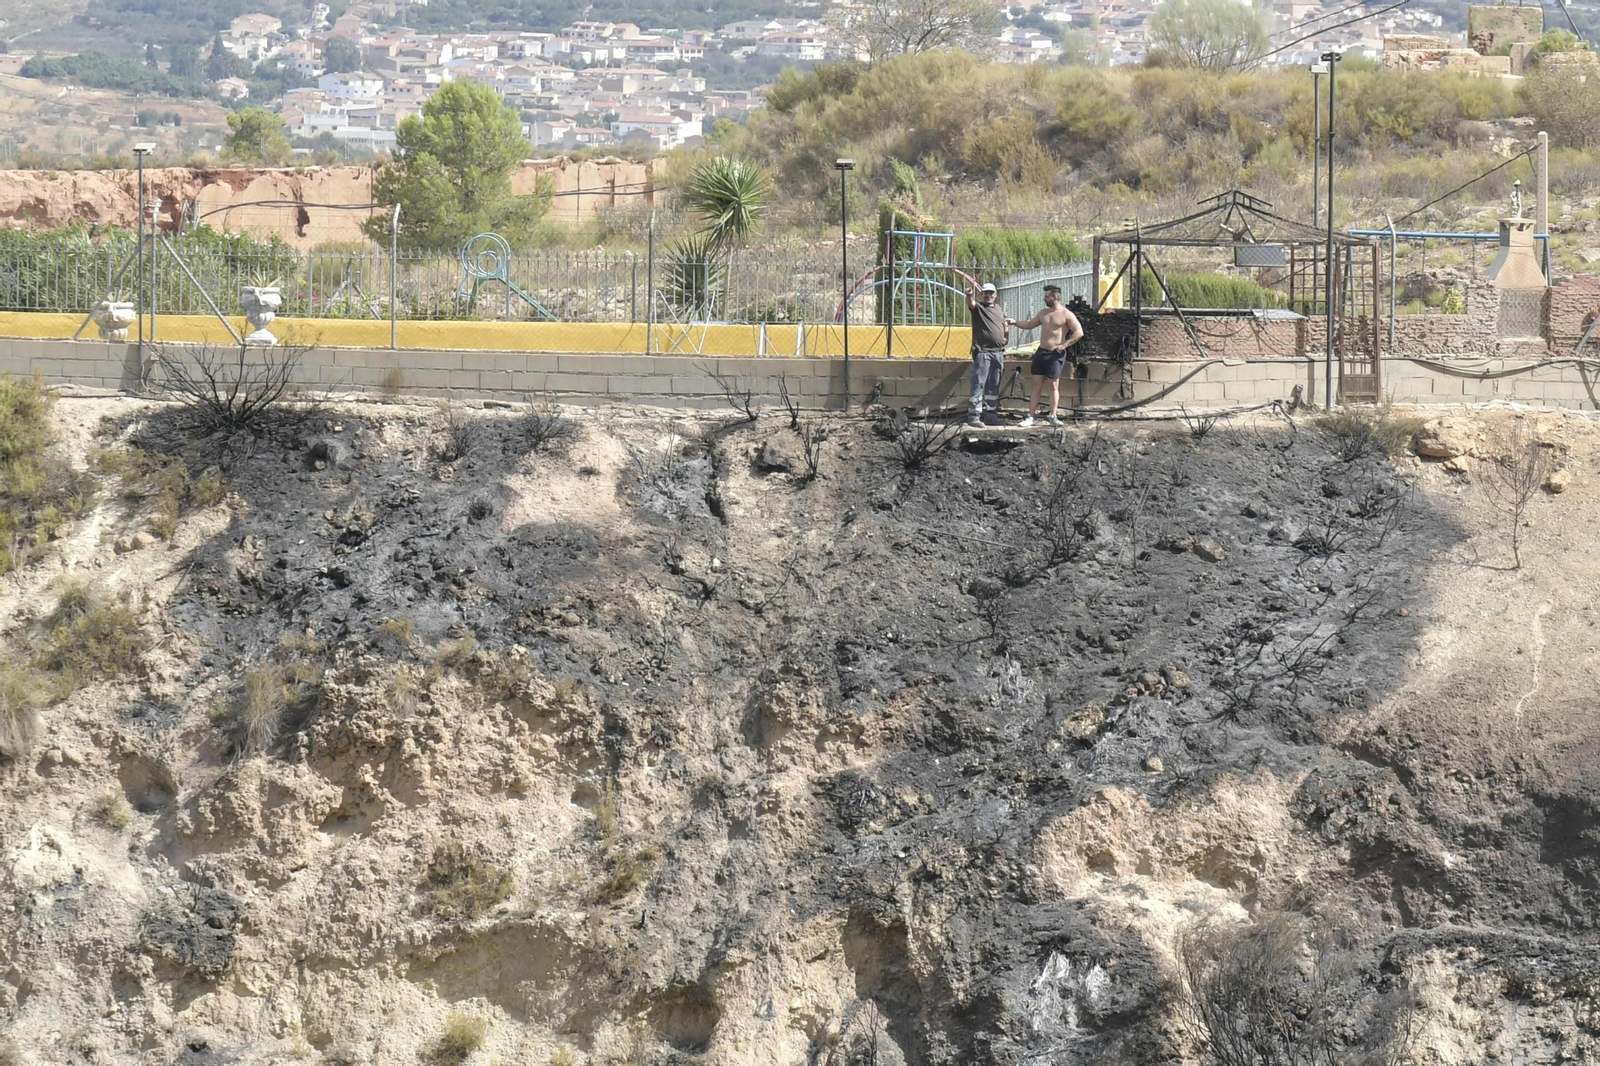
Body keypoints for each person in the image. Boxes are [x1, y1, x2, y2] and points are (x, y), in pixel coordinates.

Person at [1007, 284, 1083, 427]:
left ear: (1055, 297)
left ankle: (1053, 416)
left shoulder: (1066, 314)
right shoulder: (1043, 313)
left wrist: (1064, 345)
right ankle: (1031, 416)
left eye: (1047, 296)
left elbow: (1079, 332)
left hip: (1055, 354)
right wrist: (1014, 322)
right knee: (1036, 385)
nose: (1044, 298)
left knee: (1053, 385)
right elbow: (1029, 324)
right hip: (1041, 352)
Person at [966, 280, 1008, 427]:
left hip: (998, 353)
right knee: (979, 383)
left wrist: (1005, 338)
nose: (988, 295)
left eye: (991, 293)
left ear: (995, 295)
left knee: (993, 384)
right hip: (983, 352)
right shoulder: (978, 308)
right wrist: (969, 295)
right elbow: (971, 304)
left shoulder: (999, 309)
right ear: (981, 294)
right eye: (985, 293)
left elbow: (1004, 325)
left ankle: (991, 415)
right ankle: (974, 416)